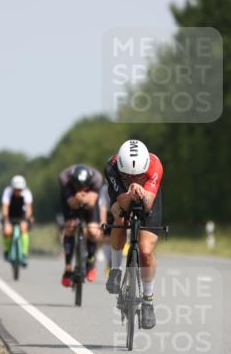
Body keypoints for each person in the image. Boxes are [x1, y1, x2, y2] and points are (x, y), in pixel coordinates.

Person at [104, 139, 163, 330]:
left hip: (149, 197)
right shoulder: (112, 167)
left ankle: (148, 301)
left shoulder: (155, 165)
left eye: (138, 176)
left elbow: (148, 204)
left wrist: (142, 192)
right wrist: (129, 193)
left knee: (145, 251)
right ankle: (115, 268)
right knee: (118, 218)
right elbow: (122, 202)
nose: (133, 180)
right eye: (127, 176)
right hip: (121, 197)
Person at [58, 164, 104, 286]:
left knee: (93, 231)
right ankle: (67, 268)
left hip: (90, 202)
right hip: (70, 200)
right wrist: (78, 198)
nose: (81, 188)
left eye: (84, 187)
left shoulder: (97, 178)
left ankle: (90, 261)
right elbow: (72, 203)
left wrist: (82, 198)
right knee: (70, 227)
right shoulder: (64, 178)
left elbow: (91, 203)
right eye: (79, 186)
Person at [1, 175, 33, 266]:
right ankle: (7, 251)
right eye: (16, 189)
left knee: (24, 229)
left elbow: (29, 208)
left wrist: (28, 218)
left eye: (20, 189)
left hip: (21, 215)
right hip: (10, 215)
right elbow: (5, 207)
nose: (18, 192)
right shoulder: (7, 192)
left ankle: (24, 254)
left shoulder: (27, 193)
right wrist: (6, 220)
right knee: (7, 231)